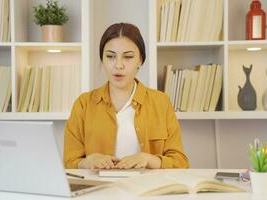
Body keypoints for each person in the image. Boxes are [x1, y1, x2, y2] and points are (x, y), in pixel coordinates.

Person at [64, 23, 189, 169]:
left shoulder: (161, 102)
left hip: (147, 189)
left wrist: (148, 159)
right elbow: (69, 162)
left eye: (128, 57)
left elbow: (180, 162)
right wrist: (88, 161)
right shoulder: (83, 104)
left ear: (140, 60)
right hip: (99, 190)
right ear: (102, 59)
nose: (118, 65)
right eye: (110, 56)